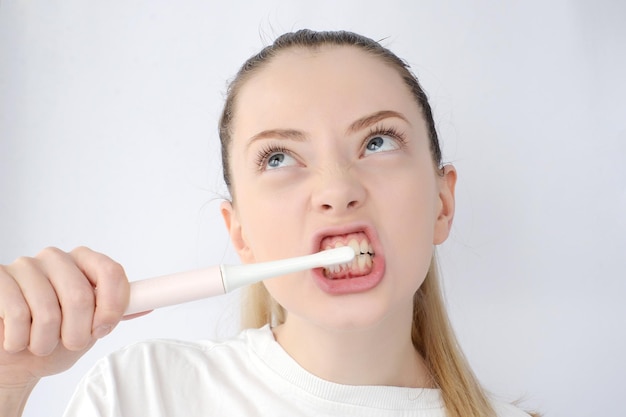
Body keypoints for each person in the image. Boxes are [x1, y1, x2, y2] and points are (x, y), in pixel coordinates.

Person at [0, 30, 536, 417]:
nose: (337, 190)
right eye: (279, 157)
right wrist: (9, 387)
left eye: (377, 142)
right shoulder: (142, 394)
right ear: (241, 235)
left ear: (442, 203)